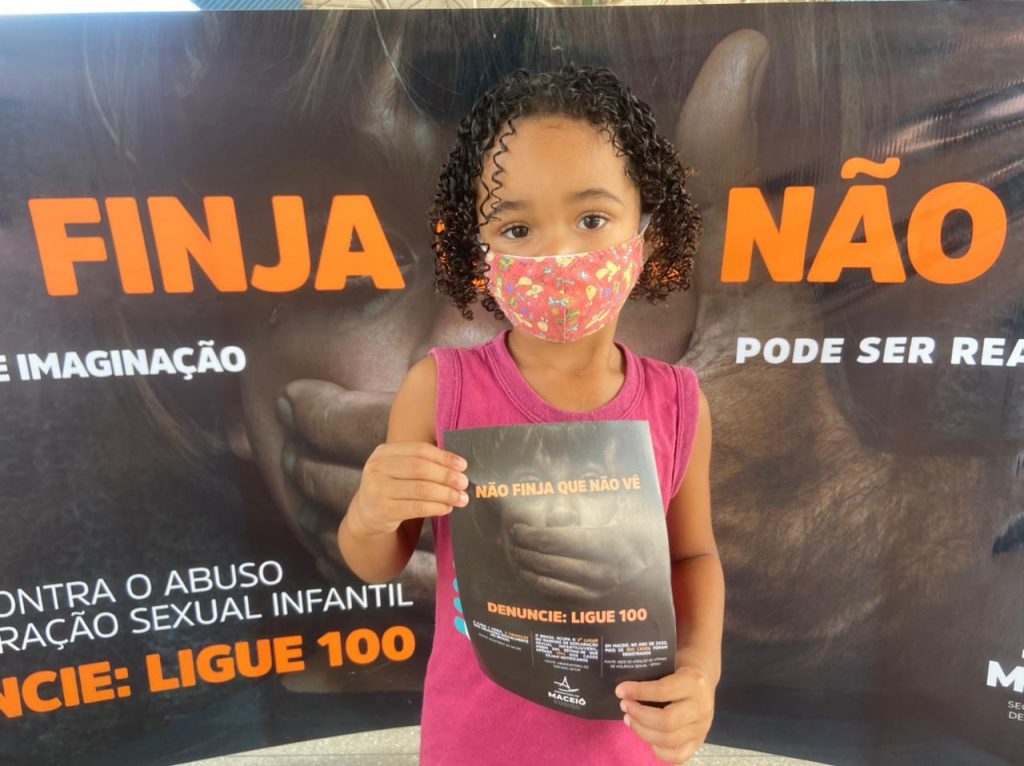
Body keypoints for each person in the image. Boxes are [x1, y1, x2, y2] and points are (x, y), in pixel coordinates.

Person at [337, 66, 722, 766]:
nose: (559, 255)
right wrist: (370, 512)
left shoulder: (678, 402)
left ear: (647, 232)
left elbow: (692, 556)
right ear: (478, 254)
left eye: (592, 219)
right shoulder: (438, 389)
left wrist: (700, 670)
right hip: (472, 746)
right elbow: (379, 561)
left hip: (627, 748)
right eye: (516, 227)